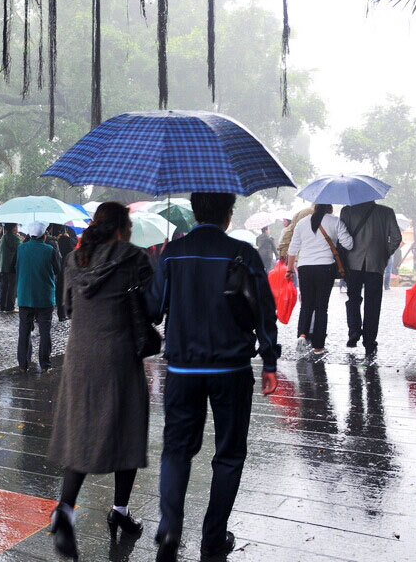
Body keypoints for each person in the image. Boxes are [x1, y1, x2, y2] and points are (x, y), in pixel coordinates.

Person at [146, 193, 279, 562]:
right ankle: (213, 537)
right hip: (231, 369)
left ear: (194, 212)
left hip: (182, 370)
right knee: (229, 454)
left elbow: (153, 309)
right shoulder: (244, 253)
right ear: (228, 214)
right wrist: (269, 361)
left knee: (176, 450)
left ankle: (170, 527)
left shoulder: (173, 253)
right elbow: (264, 312)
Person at [48, 203, 153, 559]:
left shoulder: (74, 259)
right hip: (120, 355)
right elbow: (154, 310)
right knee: (128, 426)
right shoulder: (135, 257)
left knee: (81, 428)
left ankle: (65, 509)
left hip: (79, 357)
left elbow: (68, 308)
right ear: (123, 226)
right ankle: (119, 510)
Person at [286, 204, 352, 354]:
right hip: (325, 268)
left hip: (304, 267)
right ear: (330, 208)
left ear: (314, 207)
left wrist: (289, 270)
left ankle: (302, 334)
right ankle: (318, 346)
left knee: (306, 305)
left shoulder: (302, 223)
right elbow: (348, 244)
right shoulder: (335, 222)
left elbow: (293, 248)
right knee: (322, 307)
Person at [339, 200, 402, 358]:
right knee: (373, 304)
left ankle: (354, 331)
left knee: (353, 299)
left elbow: (342, 237)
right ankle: (369, 341)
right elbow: (396, 237)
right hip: (376, 264)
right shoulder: (387, 211)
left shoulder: (347, 211)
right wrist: (384, 253)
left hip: (353, 263)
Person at [15, 221, 61, 373]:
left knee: (24, 331)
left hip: (25, 295)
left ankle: (23, 364)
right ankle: (45, 364)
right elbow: (57, 269)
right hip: (44, 296)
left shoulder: (20, 249)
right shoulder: (50, 250)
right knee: (45, 331)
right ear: (44, 235)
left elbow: (13, 267)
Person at [55, 226, 77, 321]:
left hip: (62, 265)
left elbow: (73, 244)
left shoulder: (69, 231)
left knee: (61, 289)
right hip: (60, 264)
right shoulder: (54, 228)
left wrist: (67, 238)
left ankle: (62, 313)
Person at [0, 223, 20, 312]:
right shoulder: (14, 237)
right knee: (11, 287)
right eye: (16, 226)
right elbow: (20, 247)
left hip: (3, 265)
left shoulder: (4, 236)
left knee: (3, 287)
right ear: (13, 227)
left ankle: (2, 306)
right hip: (11, 265)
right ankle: (10, 306)